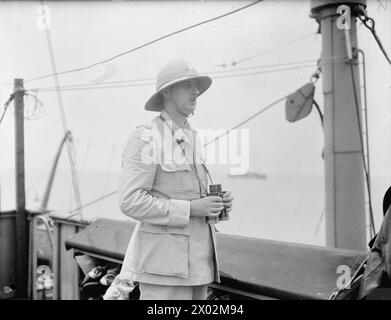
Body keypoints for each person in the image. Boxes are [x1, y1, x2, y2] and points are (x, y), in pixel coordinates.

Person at [116, 60, 234, 300]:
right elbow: (130, 201)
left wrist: (216, 203)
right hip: (165, 268)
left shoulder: (191, 135)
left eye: (196, 85)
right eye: (187, 85)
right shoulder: (146, 136)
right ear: (166, 92)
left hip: (198, 266)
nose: (196, 91)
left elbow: (188, 193)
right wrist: (191, 208)